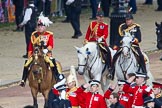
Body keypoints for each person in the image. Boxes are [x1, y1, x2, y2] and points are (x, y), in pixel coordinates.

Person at [19, 13, 61, 87]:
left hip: (45, 54)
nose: (40, 28)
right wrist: (30, 55)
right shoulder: (34, 34)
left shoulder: (49, 34)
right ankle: (23, 80)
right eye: (39, 26)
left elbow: (51, 45)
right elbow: (30, 46)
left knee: (52, 63)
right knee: (26, 64)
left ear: (45, 27)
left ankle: (57, 77)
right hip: (35, 54)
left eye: (41, 26)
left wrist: (46, 50)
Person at [110, 13, 147, 79]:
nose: (127, 21)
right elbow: (118, 37)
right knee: (115, 56)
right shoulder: (122, 27)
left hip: (133, 46)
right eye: (126, 20)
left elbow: (139, 39)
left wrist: (134, 40)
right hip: (124, 46)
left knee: (141, 56)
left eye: (129, 20)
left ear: (132, 20)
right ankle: (112, 72)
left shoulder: (136, 27)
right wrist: (116, 44)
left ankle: (144, 72)